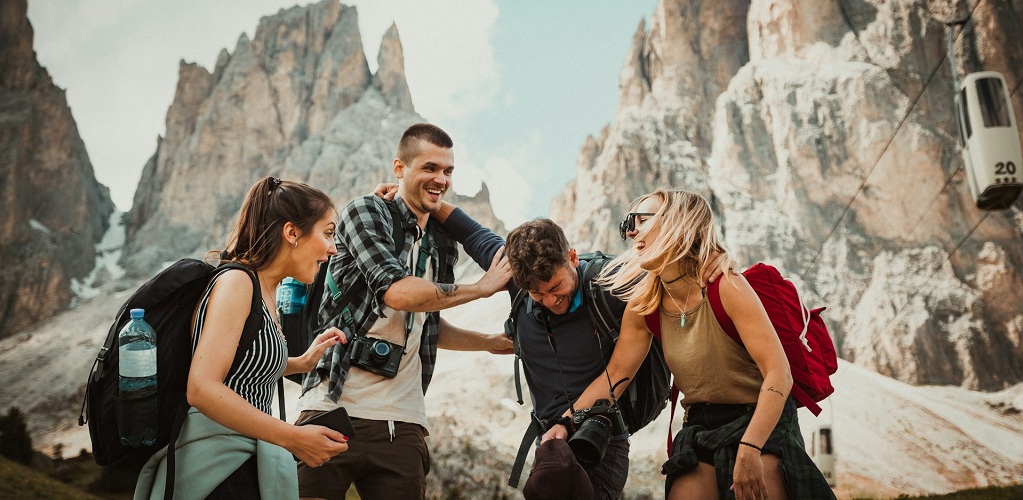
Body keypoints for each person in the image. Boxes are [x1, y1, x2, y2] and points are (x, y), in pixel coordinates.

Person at [295, 123, 513, 500]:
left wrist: (487, 342)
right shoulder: (366, 212)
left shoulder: (442, 243)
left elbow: (426, 315)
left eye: (447, 171)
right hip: (332, 408)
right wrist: (480, 289)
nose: (441, 179)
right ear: (399, 168)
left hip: (404, 423)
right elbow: (397, 293)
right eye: (429, 168)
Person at [584, 188, 834, 500]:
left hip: (760, 420)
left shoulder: (725, 285)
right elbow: (615, 375)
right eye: (628, 224)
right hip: (699, 427)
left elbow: (778, 373)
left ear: (679, 223)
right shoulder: (643, 305)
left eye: (641, 220)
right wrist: (563, 424)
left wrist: (751, 447)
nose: (631, 231)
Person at [135, 176, 350, 499]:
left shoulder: (264, 290)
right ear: (292, 233)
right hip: (214, 468)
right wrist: (294, 437)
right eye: (328, 233)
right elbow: (202, 388)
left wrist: (299, 363)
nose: (333, 249)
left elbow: (240, 367)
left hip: (240, 460)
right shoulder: (238, 282)